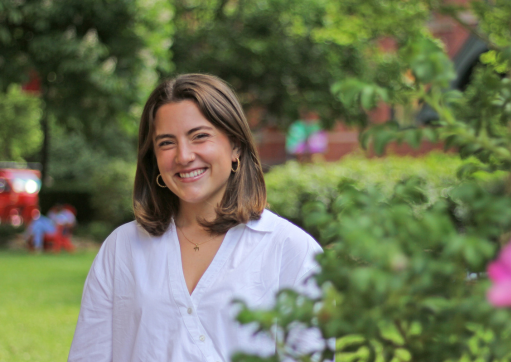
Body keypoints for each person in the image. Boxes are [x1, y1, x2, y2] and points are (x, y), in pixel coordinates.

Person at [68, 74, 327, 361]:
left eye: (200, 136)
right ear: (153, 158)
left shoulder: (292, 251)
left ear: (236, 146)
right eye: (166, 143)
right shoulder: (122, 248)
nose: (184, 156)